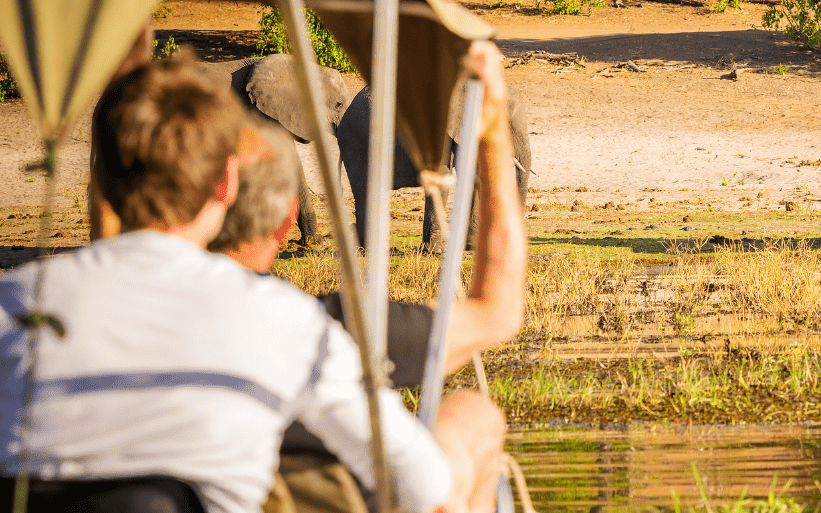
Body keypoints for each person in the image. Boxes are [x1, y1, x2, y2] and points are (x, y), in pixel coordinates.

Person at [0, 53, 453, 513]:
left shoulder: (10, 305)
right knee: (463, 428)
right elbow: (424, 482)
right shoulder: (280, 318)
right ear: (226, 183)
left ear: (98, 176)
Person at [210, 41, 525, 513]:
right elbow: (498, 314)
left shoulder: (69, 307)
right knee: (472, 416)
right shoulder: (317, 329)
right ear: (286, 219)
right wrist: (494, 136)